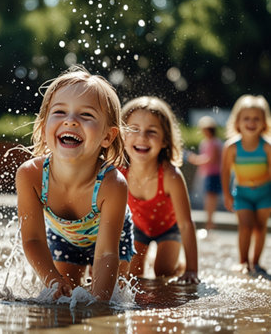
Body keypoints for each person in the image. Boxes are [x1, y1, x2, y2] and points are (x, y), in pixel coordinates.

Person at [15, 65, 135, 301]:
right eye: (59, 112)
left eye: (86, 115)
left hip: (113, 240)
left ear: (107, 136)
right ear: (43, 125)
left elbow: (106, 254)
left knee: (116, 295)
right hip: (64, 237)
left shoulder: (112, 184)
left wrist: (99, 304)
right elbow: (33, 240)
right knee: (65, 291)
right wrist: (53, 280)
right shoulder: (30, 175)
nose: (70, 121)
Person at [119, 96, 199, 284]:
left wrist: (192, 270)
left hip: (168, 229)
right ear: (122, 135)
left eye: (151, 131)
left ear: (165, 141)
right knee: (131, 275)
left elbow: (186, 224)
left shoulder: (171, 176)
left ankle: (176, 264)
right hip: (137, 229)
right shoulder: (118, 173)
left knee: (162, 272)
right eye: (134, 129)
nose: (142, 137)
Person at [221, 95, 271, 276]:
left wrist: (260, 180)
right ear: (237, 122)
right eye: (247, 118)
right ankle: (243, 261)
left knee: (260, 227)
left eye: (256, 118)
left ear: (264, 122)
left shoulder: (267, 147)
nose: (251, 122)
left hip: (265, 193)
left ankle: (256, 262)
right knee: (246, 226)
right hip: (242, 193)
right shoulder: (232, 147)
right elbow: (225, 172)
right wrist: (227, 194)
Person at [187, 116, 223, 229]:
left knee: (211, 199)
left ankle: (210, 224)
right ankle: (209, 223)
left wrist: (196, 159)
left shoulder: (215, 143)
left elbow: (212, 159)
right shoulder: (206, 142)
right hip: (208, 174)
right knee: (208, 199)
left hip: (214, 174)